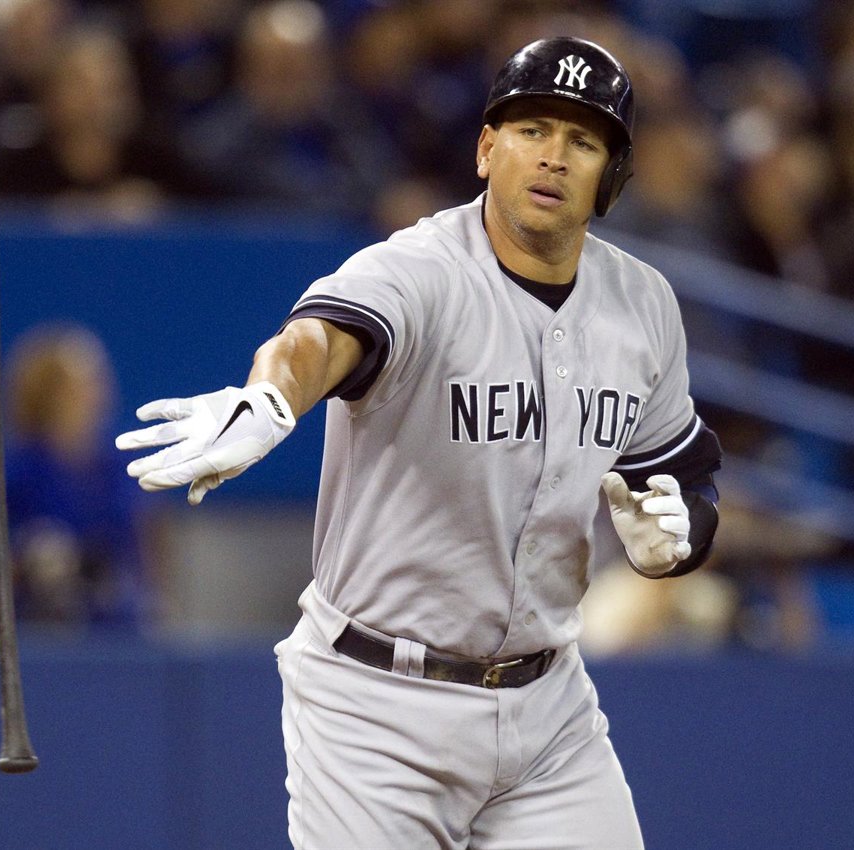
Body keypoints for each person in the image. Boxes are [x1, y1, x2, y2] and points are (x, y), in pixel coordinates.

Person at [118, 36, 722, 849]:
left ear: (612, 176)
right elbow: (320, 339)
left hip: (550, 711)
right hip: (377, 706)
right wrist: (272, 397)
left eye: (582, 141)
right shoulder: (418, 269)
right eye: (532, 130)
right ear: (486, 149)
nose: (553, 156)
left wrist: (681, 535)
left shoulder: (643, 304)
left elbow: (681, 474)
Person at [0, 323, 151, 630]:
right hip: (50, 636)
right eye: (78, 387)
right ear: (49, 394)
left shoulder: (117, 465)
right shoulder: (22, 464)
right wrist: (15, 579)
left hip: (121, 633)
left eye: (97, 381)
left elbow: (146, 541)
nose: (93, 394)